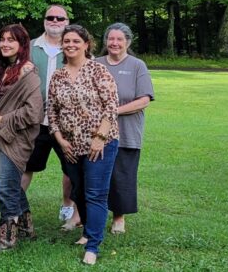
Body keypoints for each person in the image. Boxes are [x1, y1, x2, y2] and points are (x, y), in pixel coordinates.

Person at [48, 24, 120, 266]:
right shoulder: (58, 75)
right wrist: (59, 139)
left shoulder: (98, 71)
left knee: (95, 193)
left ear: (86, 44)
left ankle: (93, 245)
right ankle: (89, 230)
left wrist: (99, 138)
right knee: (78, 190)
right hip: (69, 146)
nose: (70, 45)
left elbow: (111, 107)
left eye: (76, 41)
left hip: (99, 144)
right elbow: (52, 111)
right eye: (66, 41)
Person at [0, 24, 44, 251]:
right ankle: (27, 226)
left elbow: (34, 112)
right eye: (3, 39)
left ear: (22, 45)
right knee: (11, 184)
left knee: (7, 188)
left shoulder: (28, 73)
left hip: (16, 138)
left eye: (11, 40)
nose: (5, 44)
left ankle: (7, 238)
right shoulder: (1, 69)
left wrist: (2, 120)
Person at [96, 23, 154, 235]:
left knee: (121, 176)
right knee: (94, 175)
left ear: (128, 42)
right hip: (96, 133)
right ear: (105, 41)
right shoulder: (96, 63)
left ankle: (118, 217)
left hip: (126, 132)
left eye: (120, 39)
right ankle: (86, 215)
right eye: (111, 39)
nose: (115, 43)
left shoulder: (137, 65)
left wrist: (113, 112)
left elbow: (144, 100)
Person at [24, 4, 77, 226]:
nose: (55, 21)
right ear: (44, 20)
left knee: (70, 166)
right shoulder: (30, 47)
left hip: (66, 123)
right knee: (27, 165)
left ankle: (68, 206)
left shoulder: (74, 47)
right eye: (50, 17)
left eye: (60, 18)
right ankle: (16, 207)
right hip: (35, 119)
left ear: (67, 21)